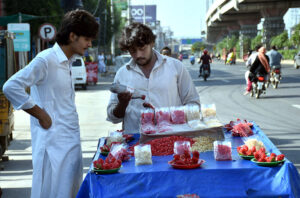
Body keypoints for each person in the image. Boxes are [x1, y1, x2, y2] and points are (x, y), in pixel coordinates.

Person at [3, 10, 99, 198]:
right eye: (87, 39)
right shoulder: (46, 60)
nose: (89, 44)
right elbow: (11, 86)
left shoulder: (68, 62)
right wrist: (41, 114)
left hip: (70, 144)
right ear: (72, 36)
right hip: (52, 148)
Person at [106, 22, 200, 133]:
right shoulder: (122, 74)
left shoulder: (176, 67)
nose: (138, 55)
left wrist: (166, 116)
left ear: (152, 43)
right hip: (136, 144)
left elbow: (194, 105)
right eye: (133, 51)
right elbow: (113, 117)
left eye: (142, 48)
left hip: (171, 139)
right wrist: (122, 104)